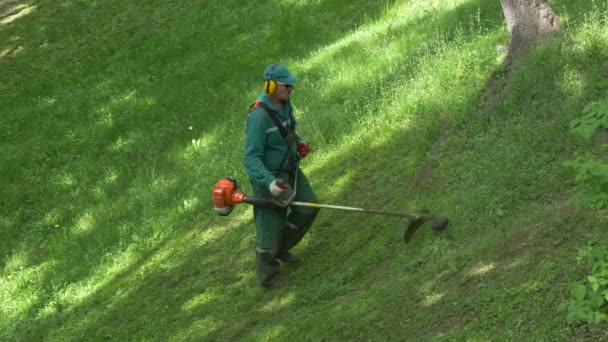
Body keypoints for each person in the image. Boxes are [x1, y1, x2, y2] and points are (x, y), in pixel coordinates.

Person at [243, 64, 319, 289]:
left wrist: (299, 143)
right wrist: (269, 183)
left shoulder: (285, 105)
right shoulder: (258, 116)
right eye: (286, 85)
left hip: (289, 170)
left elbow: (288, 133)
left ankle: (282, 247)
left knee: (308, 207)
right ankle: (268, 277)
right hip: (270, 180)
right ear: (271, 86)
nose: (291, 88)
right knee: (269, 228)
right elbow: (251, 158)